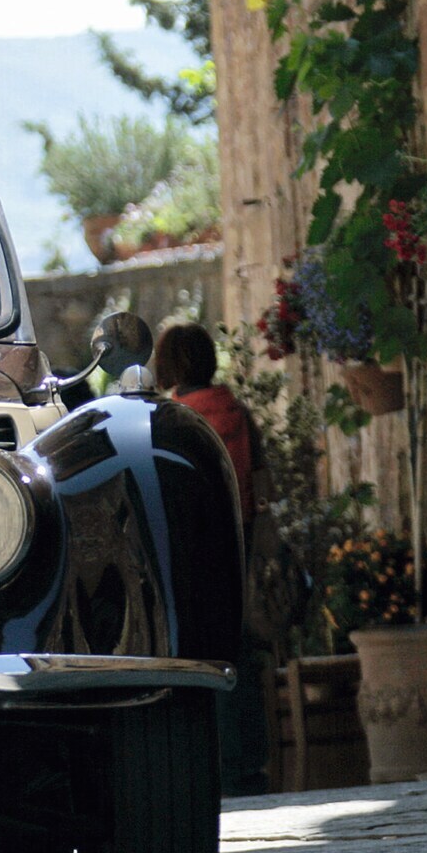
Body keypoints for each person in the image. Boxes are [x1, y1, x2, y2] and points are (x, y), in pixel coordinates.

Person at [152, 319, 270, 797]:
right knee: (240, 653)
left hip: (191, 549)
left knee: (193, 657)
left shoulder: (173, 420)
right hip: (238, 543)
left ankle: (205, 765)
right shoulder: (237, 414)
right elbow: (263, 484)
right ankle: (249, 764)